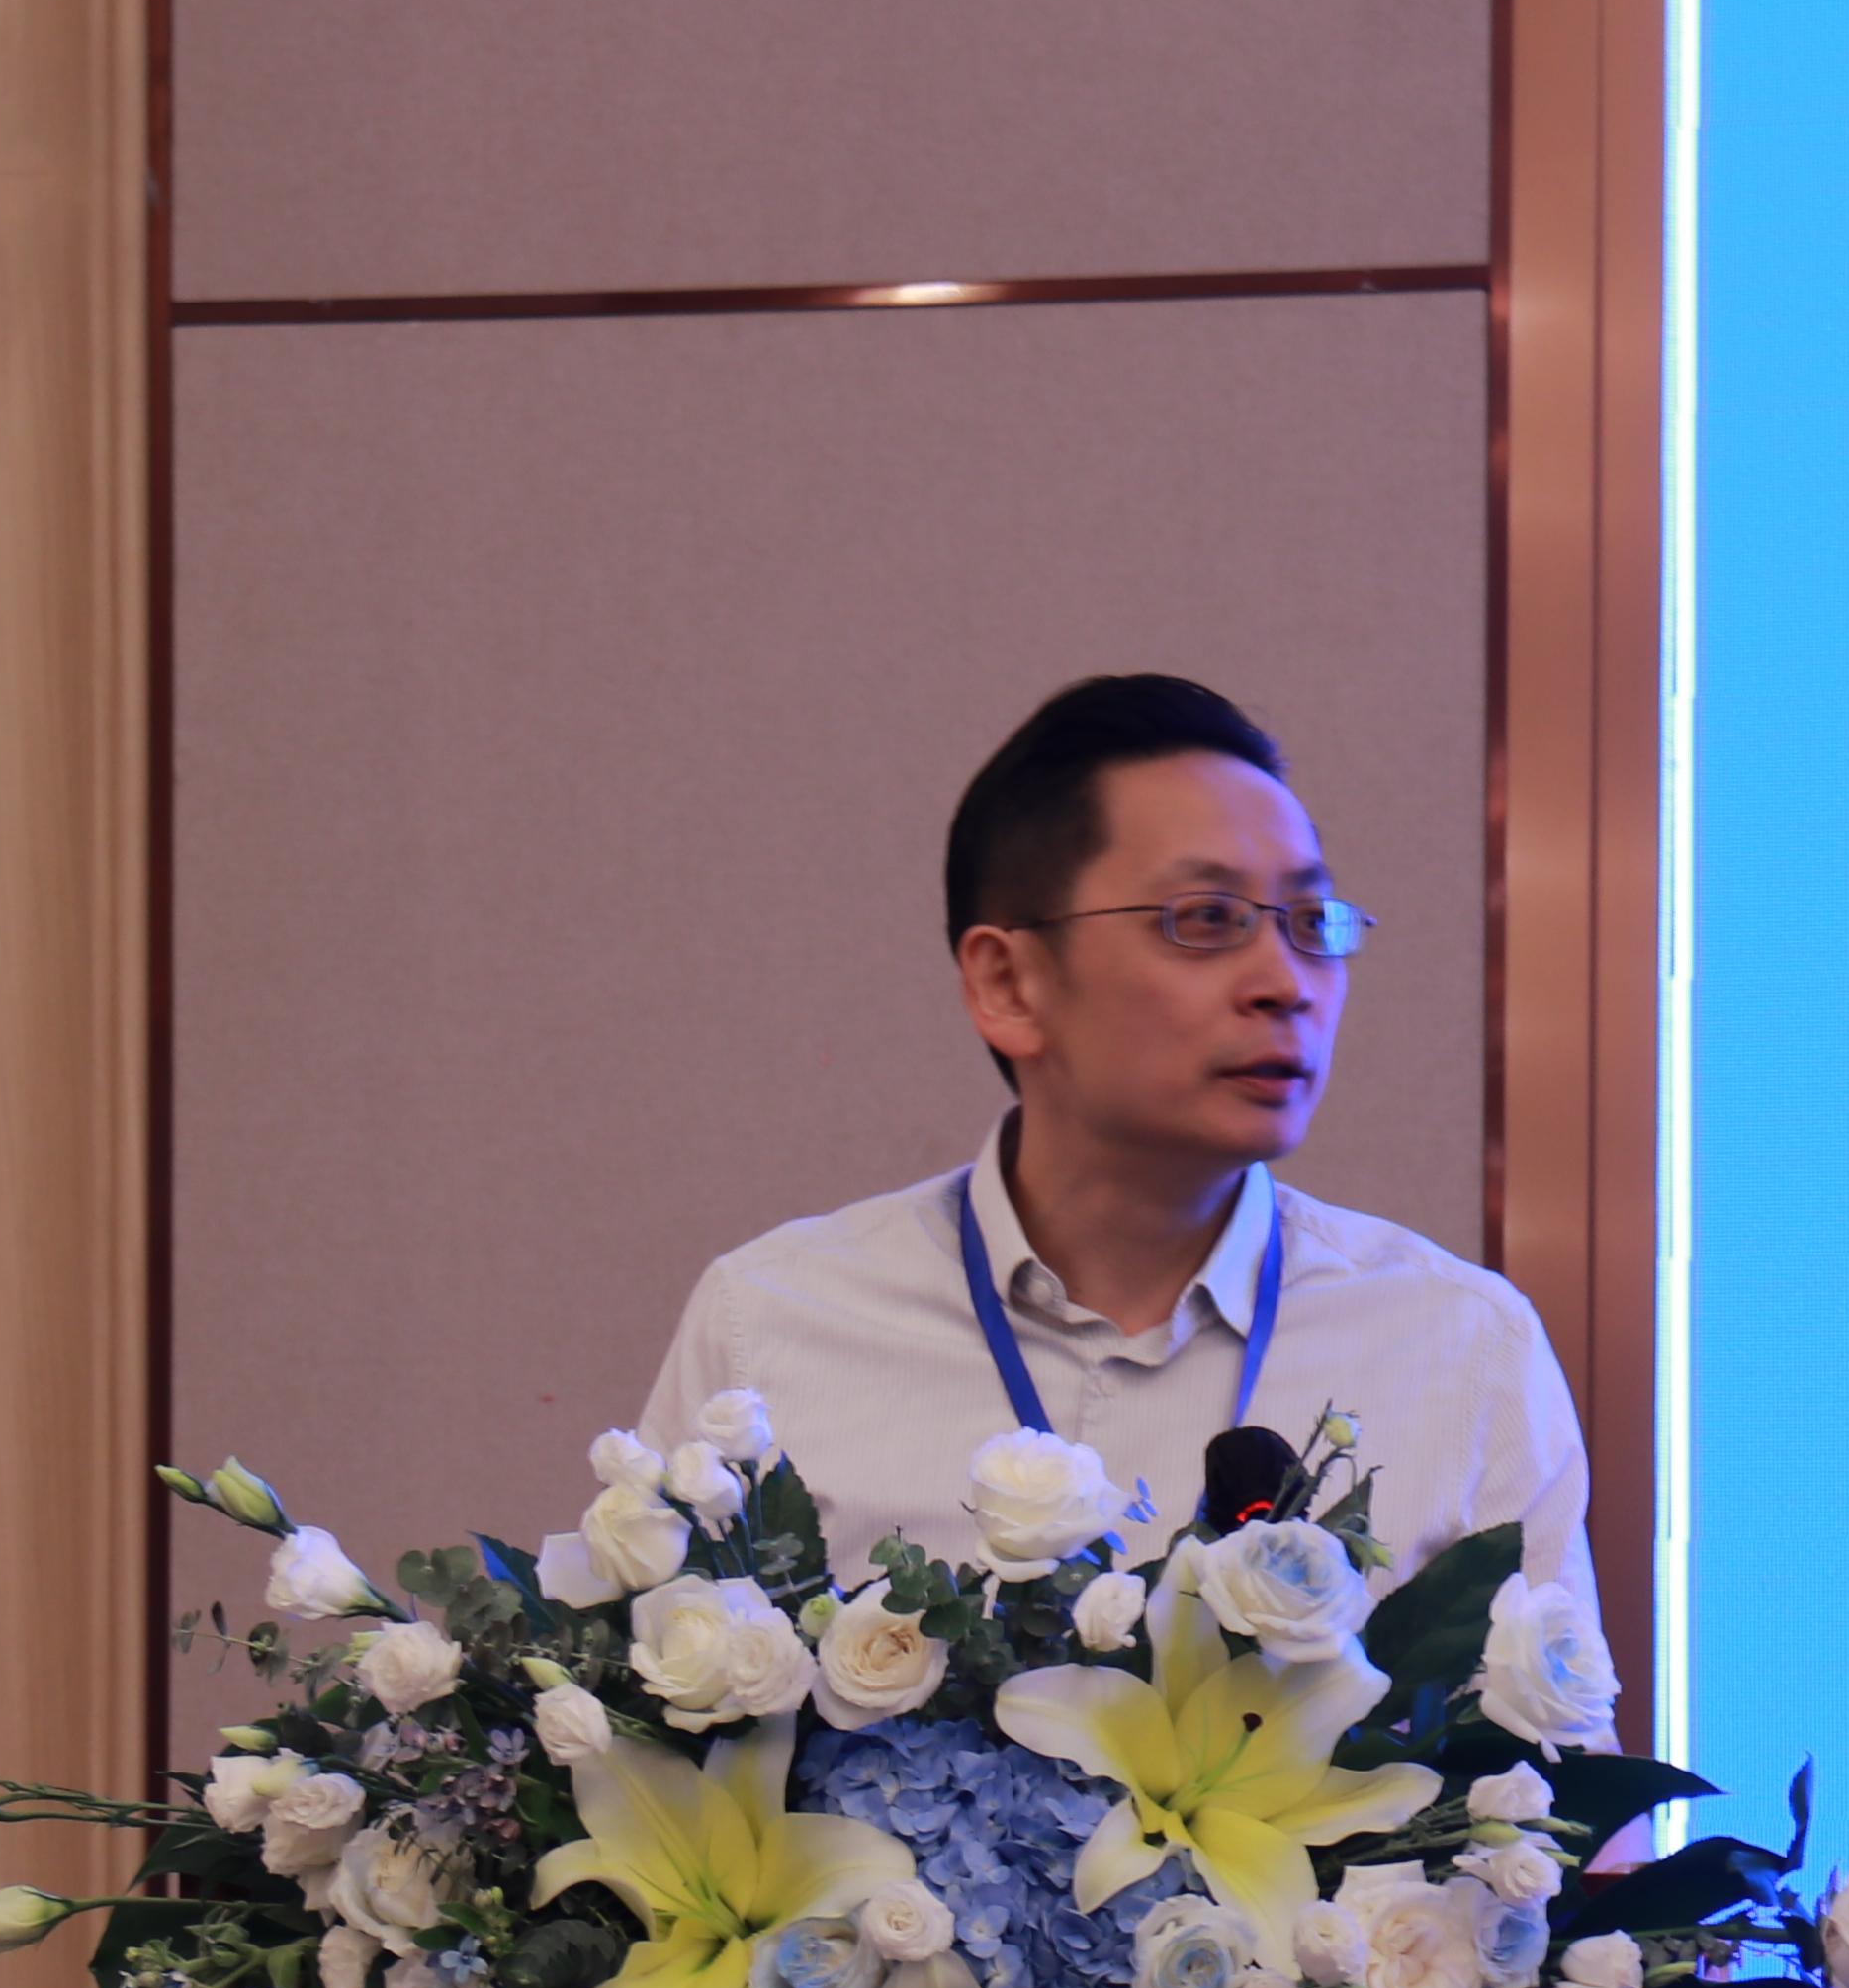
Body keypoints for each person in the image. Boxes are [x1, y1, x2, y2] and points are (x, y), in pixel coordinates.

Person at [632, 673, 1611, 1676]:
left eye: (1311, 922)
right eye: (1206, 918)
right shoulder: (771, 1331)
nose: (1285, 983)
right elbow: (651, 1737)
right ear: (1008, 983)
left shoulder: (1460, 1348)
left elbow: (1558, 1765)